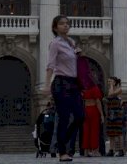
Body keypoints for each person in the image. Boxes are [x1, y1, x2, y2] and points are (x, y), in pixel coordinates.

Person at [44, 15, 84, 162]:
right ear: (55, 27)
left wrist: (78, 53)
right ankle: (62, 153)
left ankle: (62, 140)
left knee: (80, 116)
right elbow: (51, 65)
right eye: (62, 24)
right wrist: (47, 85)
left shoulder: (71, 42)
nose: (65, 26)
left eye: (67, 23)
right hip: (61, 83)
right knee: (64, 118)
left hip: (74, 83)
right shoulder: (55, 43)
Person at [77, 57, 103, 157]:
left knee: (86, 131)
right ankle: (95, 151)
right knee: (94, 131)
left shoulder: (83, 88)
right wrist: (101, 115)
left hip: (85, 109)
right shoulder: (95, 88)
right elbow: (98, 102)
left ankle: (87, 151)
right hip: (93, 110)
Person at [105, 76, 125, 157]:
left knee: (119, 132)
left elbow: (110, 94)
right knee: (111, 133)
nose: (109, 83)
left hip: (117, 114)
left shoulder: (119, 89)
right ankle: (111, 150)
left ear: (114, 82)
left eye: (110, 81)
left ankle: (121, 150)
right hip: (111, 113)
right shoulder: (111, 89)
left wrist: (111, 86)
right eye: (108, 81)